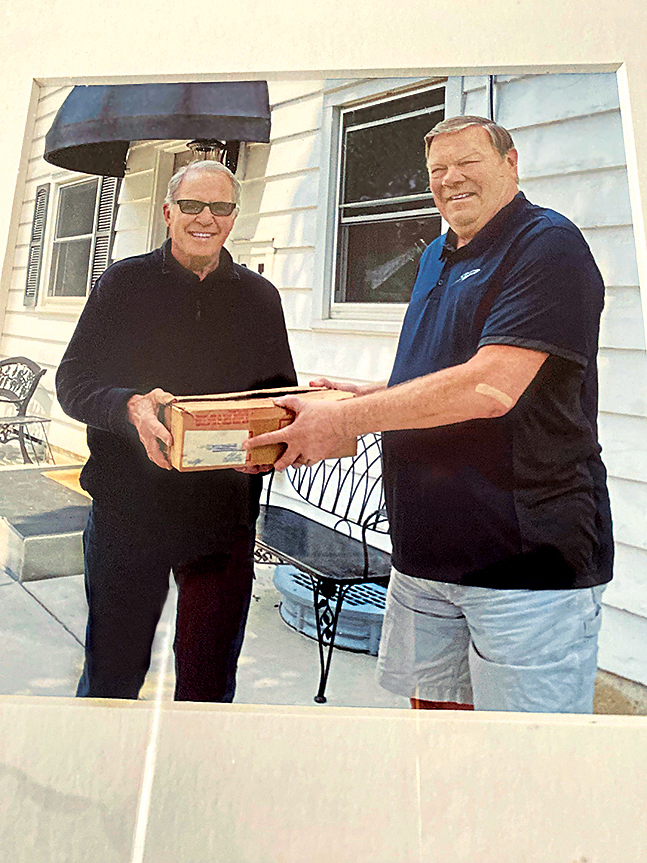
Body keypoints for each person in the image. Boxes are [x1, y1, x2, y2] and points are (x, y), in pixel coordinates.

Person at [244, 115, 613, 714]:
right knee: (433, 738)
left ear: (511, 164)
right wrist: (362, 397)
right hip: (425, 555)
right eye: (438, 169)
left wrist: (345, 422)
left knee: (522, 756)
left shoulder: (547, 245)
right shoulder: (437, 255)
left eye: (468, 162)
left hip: (525, 565)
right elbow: (445, 374)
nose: (450, 179)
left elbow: (490, 387)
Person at [56, 159, 296, 702]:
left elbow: (279, 396)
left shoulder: (260, 298)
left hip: (223, 518)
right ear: (168, 212)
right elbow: (72, 382)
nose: (205, 218)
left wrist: (274, 444)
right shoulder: (124, 284)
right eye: (191, 205)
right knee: (112, 679)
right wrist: (130, 407)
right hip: (128, 512)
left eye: (221, 207)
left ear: (234, 216)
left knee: (208, 685)